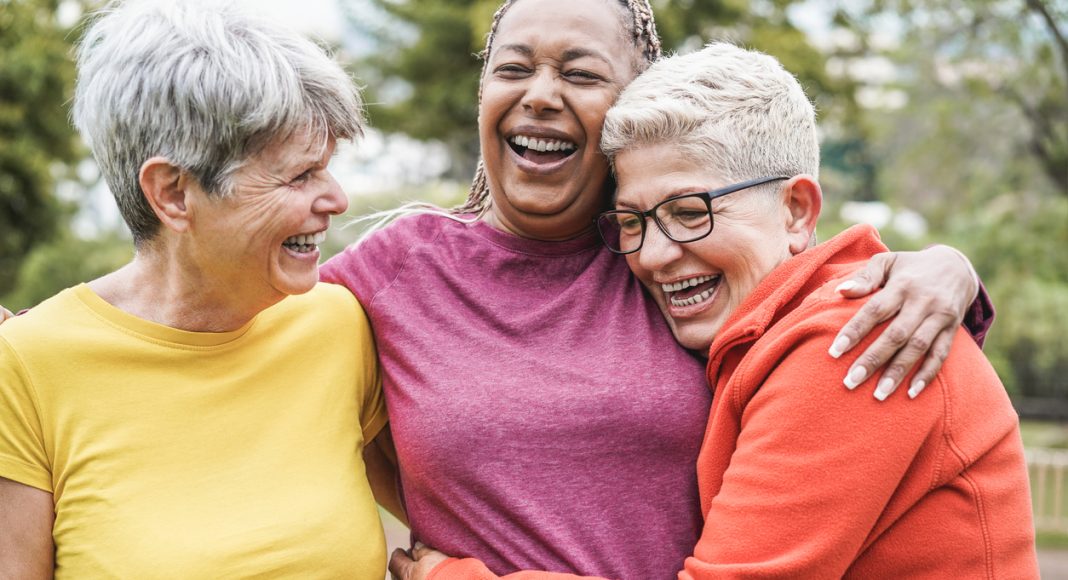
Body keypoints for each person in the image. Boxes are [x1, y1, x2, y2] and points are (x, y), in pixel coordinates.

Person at [322, 0, 992, 578]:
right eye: (513, 67)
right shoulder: (397, 270)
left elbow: (804, 270)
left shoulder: (667, 265)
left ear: (628, 105)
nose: (541, 94)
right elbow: (258, 350)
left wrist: (943, 268)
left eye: (580, 72)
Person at [0, 0, 388, 577]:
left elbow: (478, 510)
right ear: (174, 193)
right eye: (299, 174)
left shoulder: (340, 325)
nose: (335, 200)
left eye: (327, 168)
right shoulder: (29, 365)